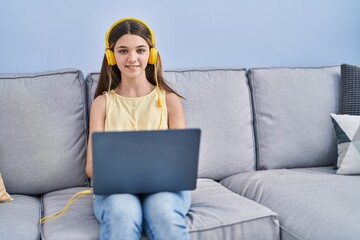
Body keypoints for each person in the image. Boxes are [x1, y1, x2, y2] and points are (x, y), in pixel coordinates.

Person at [85, 17, 191, 240]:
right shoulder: (102, 104)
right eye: (123, 51)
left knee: (162, 211)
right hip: (116, 191)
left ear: (151, 54)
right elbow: (91, 167)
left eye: (140, 50)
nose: (132, 58)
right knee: (123, 211)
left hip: (165, 190)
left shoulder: (169, 100)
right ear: (111, 56)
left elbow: (183, 162)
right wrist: (119, 174)